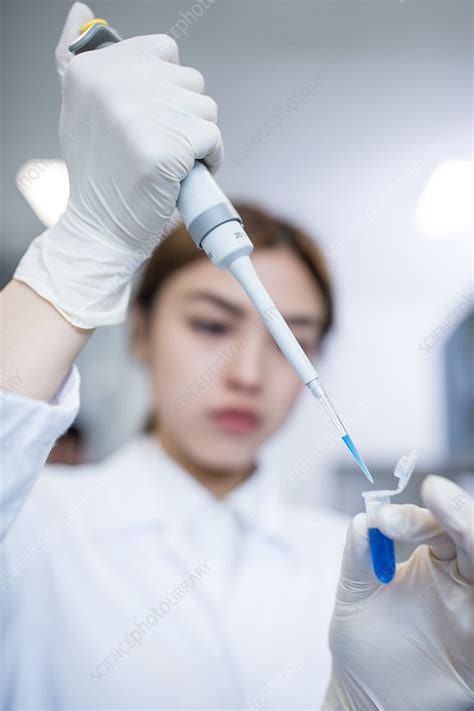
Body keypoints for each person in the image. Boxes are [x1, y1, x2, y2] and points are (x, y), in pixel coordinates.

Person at [1, 4, 472, 709]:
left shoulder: (356, 569)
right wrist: (80, 253)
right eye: (213, 325)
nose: (251, 374)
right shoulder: (32, 525)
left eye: (294, 339)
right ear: (140, 332)